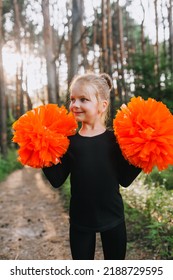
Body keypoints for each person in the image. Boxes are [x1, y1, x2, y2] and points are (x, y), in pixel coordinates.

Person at [43, 72, 141, 260]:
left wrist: (142, 156)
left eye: (83, 99)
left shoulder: (116, 141)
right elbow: (56, 180)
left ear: (102, 106)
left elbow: (125, 180)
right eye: (72, 99)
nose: (75, 105)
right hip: (80, 222)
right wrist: (43, 153)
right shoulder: (68, 142)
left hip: (113, 219)